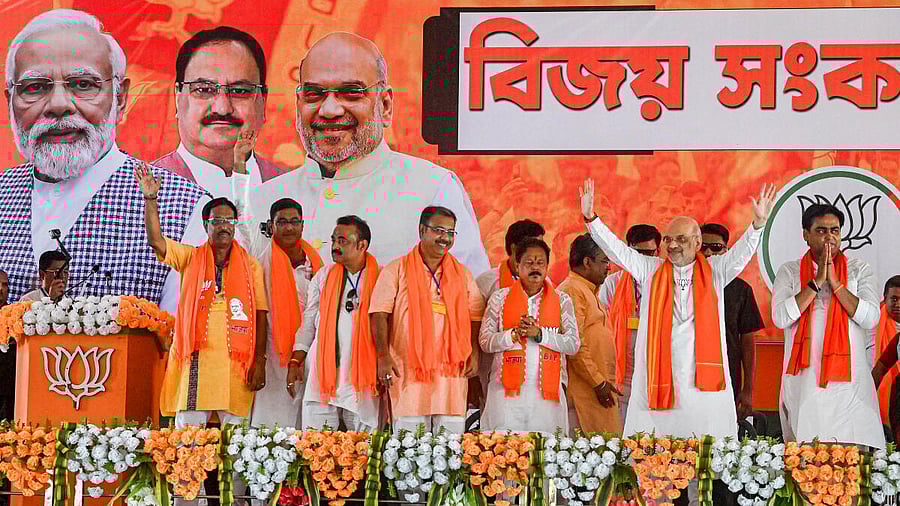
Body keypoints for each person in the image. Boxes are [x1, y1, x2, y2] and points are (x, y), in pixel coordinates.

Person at [0, 9, 208, 312]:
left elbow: (186, 347)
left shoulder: (185, 210)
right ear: (10, 102)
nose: (58, 105)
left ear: (120, 98)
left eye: (83, 84)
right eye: (35, 88)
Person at [580, 178, 775, 439]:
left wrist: (757, 226)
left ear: (697, 243)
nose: (672, 245)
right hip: (658, 381)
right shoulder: (650, 271)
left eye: (681, 239)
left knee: (704, 454)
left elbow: (742, 253)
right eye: (669, 239)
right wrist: (592, 219)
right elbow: (617, 252)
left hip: (702, 387)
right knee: (654, 458)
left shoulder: (716, 271)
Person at [293, 32, 489, 276]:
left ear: (385, 106)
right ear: (298, 103)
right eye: (314, 94)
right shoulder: (260, 198)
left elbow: (467, 302)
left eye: (351, 92)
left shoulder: (433, 189)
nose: (330, 109)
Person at [136, 164, 268, 428]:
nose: (223, 227)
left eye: (229, 221)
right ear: (205, 225)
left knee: (237, 445)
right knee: (189, 441)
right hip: (196, 362)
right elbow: (157, 242)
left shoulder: (250, 265)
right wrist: (150, 198)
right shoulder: (190, 257)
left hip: (237, 363)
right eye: (217, 221)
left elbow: (260, 314)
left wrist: (260, 362)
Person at [775, 203, 884, 449]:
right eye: (821, 230)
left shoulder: (859, 270)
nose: (829, 236)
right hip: (805, 383)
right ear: (806, 234)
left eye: (835, 230)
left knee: (851, 466)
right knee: (806, 461)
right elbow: (781, 317)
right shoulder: (790, 272)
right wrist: (815, 283)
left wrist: (835, 283)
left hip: (851, 385)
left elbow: (870, 318)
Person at [369, 206, 485, 433]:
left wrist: (474, 350)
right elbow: (379, 313)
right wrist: (382, 356)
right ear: (422, 230)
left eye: (451, 233)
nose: (445, 238)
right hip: (408, 372)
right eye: (439, 231)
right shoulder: (397, 269)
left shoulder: (462, 273)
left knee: (449, 445)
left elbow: (475, 315)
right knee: (408, 445)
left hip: (450, 375)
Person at [153, 27, 288, 196]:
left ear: (263, 101)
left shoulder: (291, 189)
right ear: (178, 98)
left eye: (239, 91)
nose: (223, 108)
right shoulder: (136, 192)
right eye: (204, 90)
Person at [479, 238, 579, 434]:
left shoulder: (562, 300)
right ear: (517, 265)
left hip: (547, 397)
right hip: (506, 394)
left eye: (540, 262)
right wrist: (512, 335)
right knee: (504, 450)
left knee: (546, 452)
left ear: (547, 266)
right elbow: (485, 341)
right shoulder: (500, 298)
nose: (536, 268)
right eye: (529, 262)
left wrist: (540, 335)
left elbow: (573, 344)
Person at [296, 215, 380, 431]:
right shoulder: (323, 276)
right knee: (317, 445)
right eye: (333, 240)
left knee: (362, 447)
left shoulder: (381, 277)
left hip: (361, 373)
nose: (334, 246)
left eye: (342, 241)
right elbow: (308, 321)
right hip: (322, 371)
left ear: (362, 245)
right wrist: (297, 357)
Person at [247, 198, 323, 429]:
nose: (289, 227)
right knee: (270, 423)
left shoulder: (317, 264)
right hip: (273, 351)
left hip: (309, 350)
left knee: (306, 419)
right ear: (271, 226)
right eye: (282, 222)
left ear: (302, 225)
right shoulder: (261, 261)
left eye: (294, 222)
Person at [474, 219, 546, 405]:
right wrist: (473, 374)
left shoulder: (547, 286)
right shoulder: (487, 282)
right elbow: (473, 328)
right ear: (514, 248)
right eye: (533, 243)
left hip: (536, 375)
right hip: (494, 372)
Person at [597, 224, 661, 425]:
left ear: (658, 252)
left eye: (648, 253)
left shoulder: (669, 283)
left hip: (657, 374)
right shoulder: (612, 283)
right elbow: (601, 327)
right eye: (637, 253)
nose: (642, 259)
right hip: (621, 376)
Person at [700, 223, 765, 420]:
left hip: (728, 378)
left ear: (727, 251)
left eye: (716, 248)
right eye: (703, 247)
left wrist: (748, 390)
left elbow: (747, 342)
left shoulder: (741, 289)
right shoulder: (680, 285)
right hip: (688, 378)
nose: (709, 252)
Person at [558, 234, 621, 434]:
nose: (608, 267)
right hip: (586, 389)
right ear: (587, 262)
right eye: (604, 261)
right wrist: (598, 382)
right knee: (592, 454)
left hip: (598, 386)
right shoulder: (573, 290)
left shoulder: (588, 290)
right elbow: (576, 346)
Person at [870, 276, 900, 440]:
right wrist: (865, 402)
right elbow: (878, 372)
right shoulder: (871, 323)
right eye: (894, 299)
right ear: (884, 299)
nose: (898, 305)